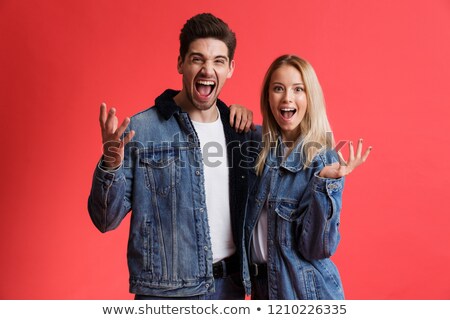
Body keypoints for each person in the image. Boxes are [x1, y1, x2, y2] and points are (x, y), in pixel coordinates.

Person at [88, 13, 255, 299]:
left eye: (218, 61)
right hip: (166, 296)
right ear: (181, 63)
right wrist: (111, 164)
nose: (207, 69)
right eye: (197, 58)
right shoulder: (141, 130)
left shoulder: (241, 133)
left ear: (230, 68)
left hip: (230, 290)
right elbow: (105, 220)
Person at [242, 54, 372, 299]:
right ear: (268, 97)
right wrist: (235, 110)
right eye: (278, 88)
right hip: (262, 291)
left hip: (305, 293)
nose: (287, 97)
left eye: (298, 89)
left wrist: (324, 184)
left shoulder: (322, 160)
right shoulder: (257, 150)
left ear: (310, 98)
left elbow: (317, 248)